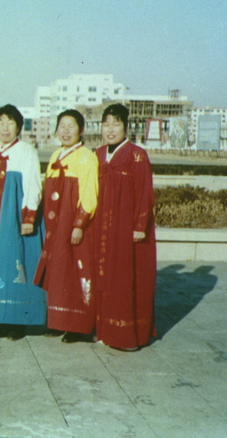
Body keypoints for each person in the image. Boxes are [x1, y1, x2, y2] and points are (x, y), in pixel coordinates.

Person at [93, 103, 157, 351]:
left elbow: (144, 193)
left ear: (126, 127)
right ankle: (105, 331)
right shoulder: (98, 154)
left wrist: (139, 225)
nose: (110, 129)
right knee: (104, 278)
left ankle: (126, 335)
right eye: (106, 124)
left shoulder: (137, 155)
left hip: (125, 227)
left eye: (116, 124)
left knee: (124, 279)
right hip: (102, 228)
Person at [33, 109, 99, 343]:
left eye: (72, 126)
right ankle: (58, 321)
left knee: (75, 270)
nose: (66, 131)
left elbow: (90, 193)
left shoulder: (86, 157)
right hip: (55, 225)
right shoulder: (55, 155)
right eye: (62, 126)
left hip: (73, 223)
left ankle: (78, 326)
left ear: (81, 130)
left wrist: (79, 223)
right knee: (58, 271)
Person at [0, 104, 46, 340]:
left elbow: (33, 184)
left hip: (14, 214)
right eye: (0, 122)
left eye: (10, 122)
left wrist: (28, 217)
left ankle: (17, 320)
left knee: (17, 264)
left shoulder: (26, 151)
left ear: (19, 127)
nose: (5, 127)